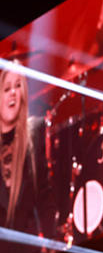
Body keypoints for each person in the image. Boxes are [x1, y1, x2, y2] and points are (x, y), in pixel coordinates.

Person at [0, 66, 52, 237]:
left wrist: (51, 241)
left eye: (18, 86)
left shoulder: (35, 131)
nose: (13, 93)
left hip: (30, 249)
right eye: (7, 89)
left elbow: (45, 193)